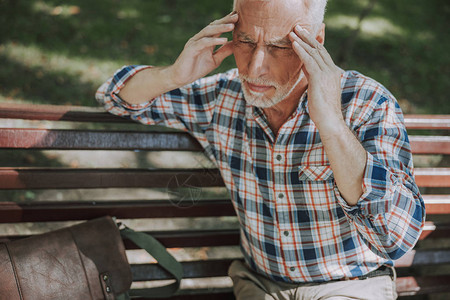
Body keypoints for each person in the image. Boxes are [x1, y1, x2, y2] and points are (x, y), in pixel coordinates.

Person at [96, 0, 425, 299]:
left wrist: (331, 124)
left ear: (317, 41)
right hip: (260, 285)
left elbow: (396, 238)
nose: (255, 68)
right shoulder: (222, 98)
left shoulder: (365, 102)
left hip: (348, 284)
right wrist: (173, 75)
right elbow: (114, 96)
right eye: (246, 41)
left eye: (280, 46)